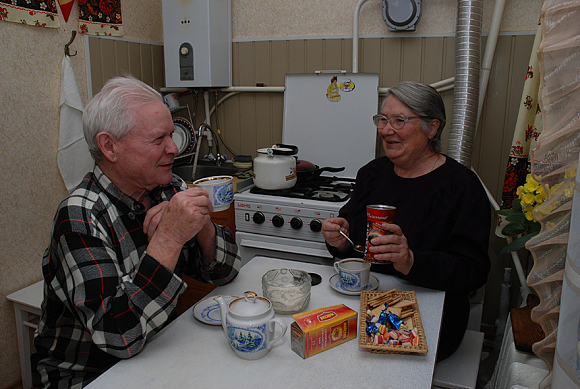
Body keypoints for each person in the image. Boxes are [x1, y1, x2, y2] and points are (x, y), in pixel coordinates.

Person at [31, 76, 241, 388]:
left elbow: (225, 272)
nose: (174, 148)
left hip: (156, 353)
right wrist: (168, 238)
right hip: (89, 376)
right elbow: (119, 336)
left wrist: (204, 226)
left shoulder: (170, 188)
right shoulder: (79, 216)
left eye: (172, 135)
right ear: (109, 146)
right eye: (159, 140)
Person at [322, 81, 491, 361]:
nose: (386, 130)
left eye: (399, 120)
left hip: (429, 313)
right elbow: (351, 237)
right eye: (383, 120)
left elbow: (473, 271)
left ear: (432, 128)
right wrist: (339, 242)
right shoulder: (372, 173)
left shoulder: (461, 186)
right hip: (364, 301)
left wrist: (412, 260)